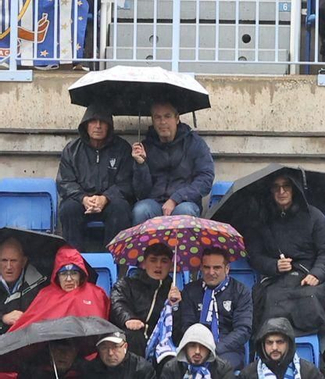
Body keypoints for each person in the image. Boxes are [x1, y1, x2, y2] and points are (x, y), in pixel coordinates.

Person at [243, 172, 325, 341]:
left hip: (308, 277)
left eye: (286, 186)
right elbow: (255, 255)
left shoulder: (314, 215)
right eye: (276, 187)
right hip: (276, 280)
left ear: (294, 189)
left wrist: (316, 274)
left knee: (311, 299)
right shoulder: (262, 219)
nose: (281, 192)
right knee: (271, 300)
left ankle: (317, 351)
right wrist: (274, 265)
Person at [55, 106, 135, 251]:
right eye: (93, 121)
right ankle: (74, 260)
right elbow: (65, 182)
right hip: (81, 200)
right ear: (85, 125)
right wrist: (83, 198)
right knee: (68, 209)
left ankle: (113, 259)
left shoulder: (122, 148)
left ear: (109, 126)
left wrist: (105, 198)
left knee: (121, 209)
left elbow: (126, 183)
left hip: (111, 201)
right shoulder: (72, 150)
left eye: (102, 122)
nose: (98, 126)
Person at [128, 100, 212, 224]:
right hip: (154, 203)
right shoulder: (146, 147)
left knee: (185, 212)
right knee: (140, 210)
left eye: (167, 116)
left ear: (177, 118)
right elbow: (141, 193)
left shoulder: (194, 143)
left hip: (185, 202)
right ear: (152, 120)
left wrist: (176, 198)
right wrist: (141, 165)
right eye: (157, 117)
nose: (162, 122)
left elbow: (206, 178)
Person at [174, 248, 250, 369]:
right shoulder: (190, 290)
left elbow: (243, 329)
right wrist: (201, 346)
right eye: (207, 267)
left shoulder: (240, 291)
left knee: (218, 367)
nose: (211, 272)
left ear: (227, 269)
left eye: (216, 268)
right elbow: (186, 325)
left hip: (227, 350)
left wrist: (214, 347)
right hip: (195, 347)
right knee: (173, 365)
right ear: (201, 268)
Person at [7, 246, 111, 333]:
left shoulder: (97, 294)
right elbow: (27, 326)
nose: (69, 279)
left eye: (74, 273)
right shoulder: (46, 295)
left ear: (81, 274)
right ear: (57, 276)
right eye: (64, 274)